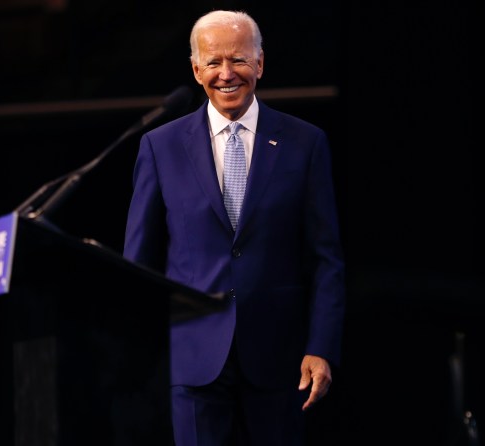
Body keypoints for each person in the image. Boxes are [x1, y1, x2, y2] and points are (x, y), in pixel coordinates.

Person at [123, 9, 346, 446]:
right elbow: (138, 263)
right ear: (195, 69)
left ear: (260, 63)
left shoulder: (306, 143)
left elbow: (326, 258)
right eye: (213, 62)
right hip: (193, 361)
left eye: (239, 60)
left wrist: (321, 347)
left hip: (280, 361)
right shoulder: (160, 147)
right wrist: (142, 357)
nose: (227, 74)